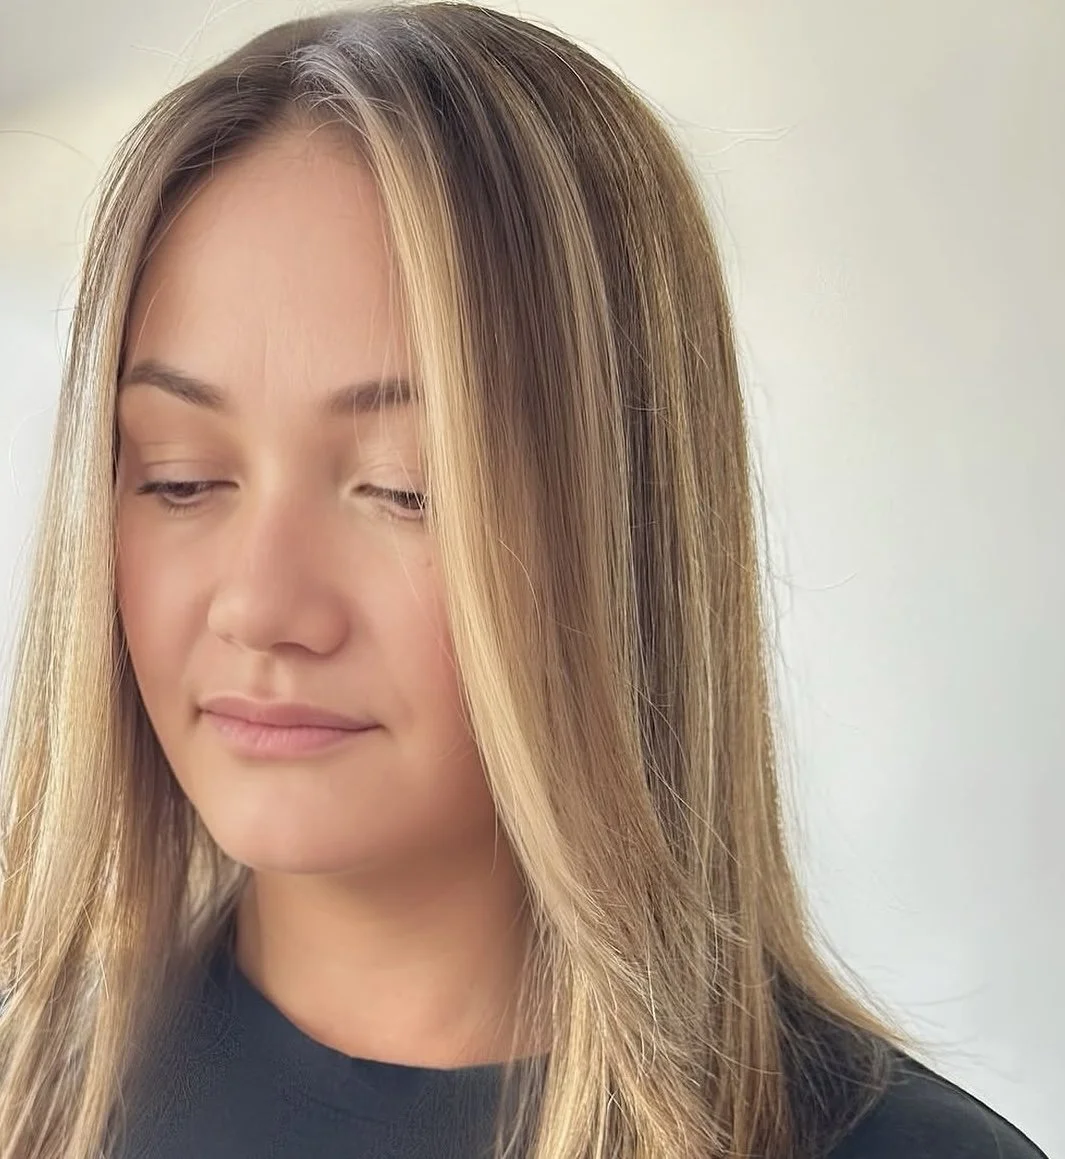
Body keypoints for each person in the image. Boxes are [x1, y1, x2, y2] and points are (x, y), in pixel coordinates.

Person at [0, 4, 1048, 1158]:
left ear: (621, 530)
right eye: (183, 480)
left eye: (407, 490)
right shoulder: (31, 1101)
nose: (262, 607)